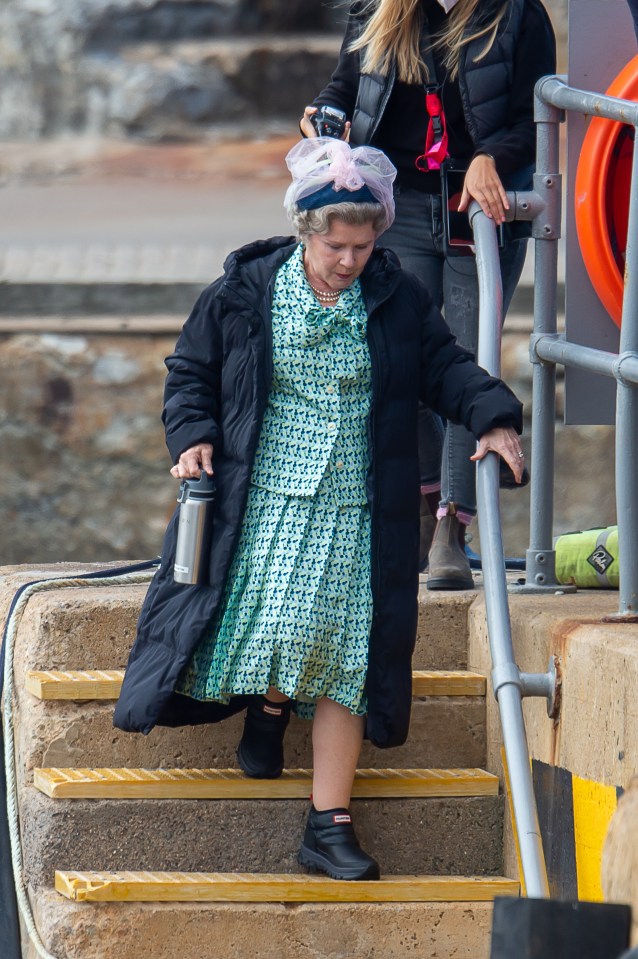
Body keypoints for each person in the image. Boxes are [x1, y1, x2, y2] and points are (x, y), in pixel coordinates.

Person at [113, 137, 525, 882]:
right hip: (265, 489)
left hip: (359, 502)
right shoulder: (246, 290)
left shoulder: (395, 298)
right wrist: (193, 437)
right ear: (305, 233)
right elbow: (190, 371)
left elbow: (446, 366)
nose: (350, 260)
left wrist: (494, 414)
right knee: (282, 624)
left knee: (347, 651)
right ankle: (269, 709)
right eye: (336, 245)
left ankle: (327, 823)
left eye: (363, 245)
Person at [300, 0, 556, 589]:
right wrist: (326, 118)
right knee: (396, 357)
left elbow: (530, 116)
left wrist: (491, 158)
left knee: (465, 370)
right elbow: (345, 86)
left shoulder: (516, 13)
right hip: (399, 209)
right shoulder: (378, 9)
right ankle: (426, 498)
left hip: (480, 213)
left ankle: (452, 530)